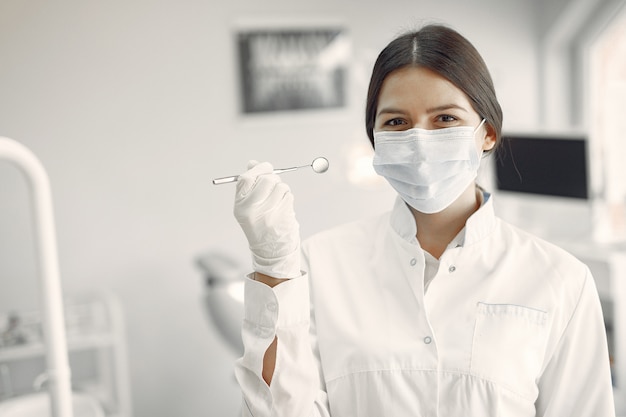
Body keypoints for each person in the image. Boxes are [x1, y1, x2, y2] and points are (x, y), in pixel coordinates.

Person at [231, 24, 615, 416]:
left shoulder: (561, 280)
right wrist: (274, 266)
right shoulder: (319, 263)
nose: (419, 140)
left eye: (445, 118)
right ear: (376, 141)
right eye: (396, 122)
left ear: (488, 134)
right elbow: (277, 409)